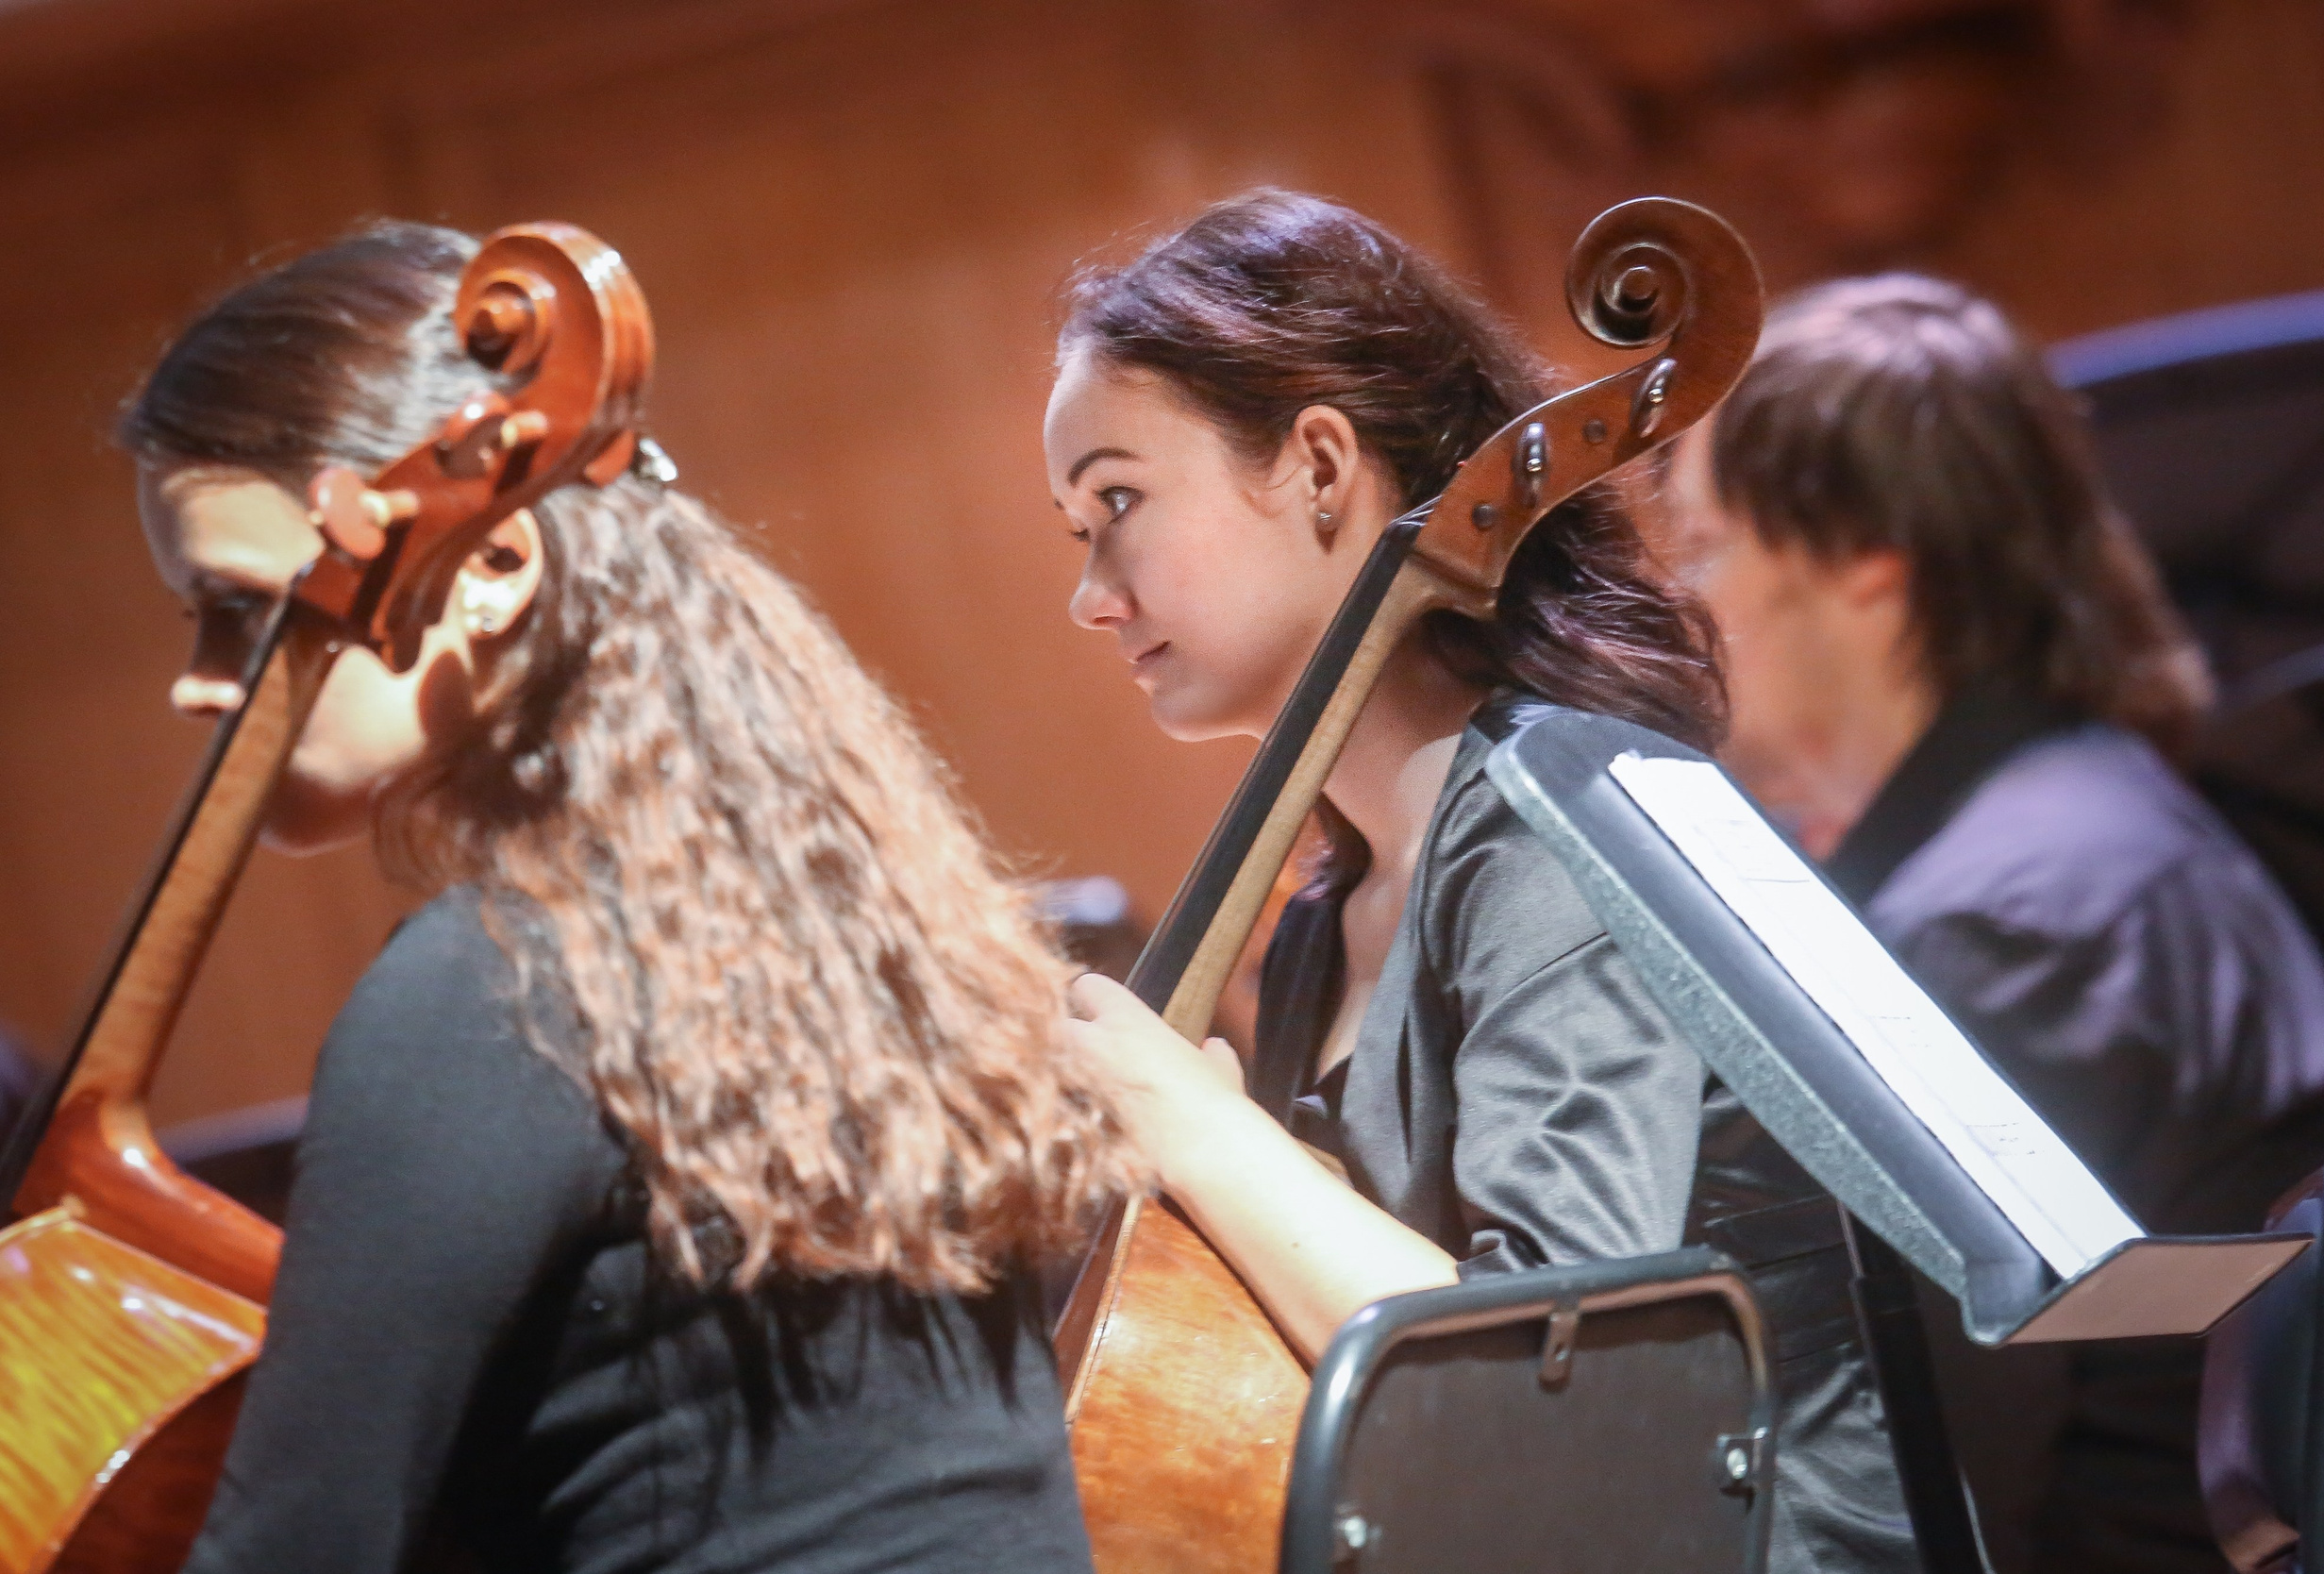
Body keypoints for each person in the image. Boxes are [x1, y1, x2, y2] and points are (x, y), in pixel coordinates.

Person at [125, 222, 1135, 1574]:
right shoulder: (847, 930)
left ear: (488, 570)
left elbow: (292, 1549)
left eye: (238, 608)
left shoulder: (495, 992)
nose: (200, 681)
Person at [1046, 189, 1917, 1573]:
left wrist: (1193, 1126)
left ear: (1322, 466)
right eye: (1076, 529)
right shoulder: (1329, 910)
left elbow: (1549, 1394)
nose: (1091, 592)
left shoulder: (1554, 832)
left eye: (1119, 503)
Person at [1649, 273, 2324, 1574]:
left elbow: (1926, 1484)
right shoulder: (2079, 822)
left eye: (1709, 548)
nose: (1692, 608)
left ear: (1869, 556)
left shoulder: (2008, 920)